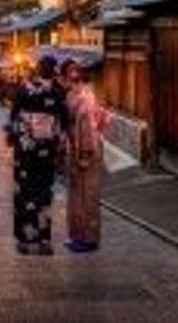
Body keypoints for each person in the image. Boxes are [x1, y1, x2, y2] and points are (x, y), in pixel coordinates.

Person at [5, 55, 66, 256]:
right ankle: (44, 240)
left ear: (39, 69)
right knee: (44, 194)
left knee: (23, 193)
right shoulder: (58, 91)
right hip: (47, 150)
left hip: (25, 149)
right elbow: (63, 123)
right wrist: (59, 145)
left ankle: (24, 239)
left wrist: (15, 136)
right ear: (54, 70)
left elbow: (14, 116)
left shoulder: (24, 88)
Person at [60, 59, 110, 253]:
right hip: (75, 147)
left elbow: (88, 127)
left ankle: (89, 239)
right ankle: (78, 235)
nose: (67, 80)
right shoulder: (75, 94)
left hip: (85, 150)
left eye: (69, 76)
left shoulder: (85, 98)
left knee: (87, 195)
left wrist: (85, 153)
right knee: (76, 195)